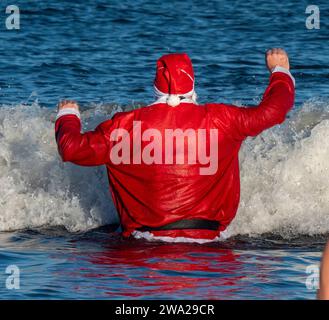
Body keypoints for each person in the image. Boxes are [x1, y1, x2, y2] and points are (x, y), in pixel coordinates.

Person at [55, 48, 295, 242]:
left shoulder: (123, 127)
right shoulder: (223, 119)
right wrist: (280, 71)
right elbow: (273, 111)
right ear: (192, 87)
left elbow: (71, 148)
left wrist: (67, 115)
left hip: (142, 246)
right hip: (212, 246)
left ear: (155, 87)